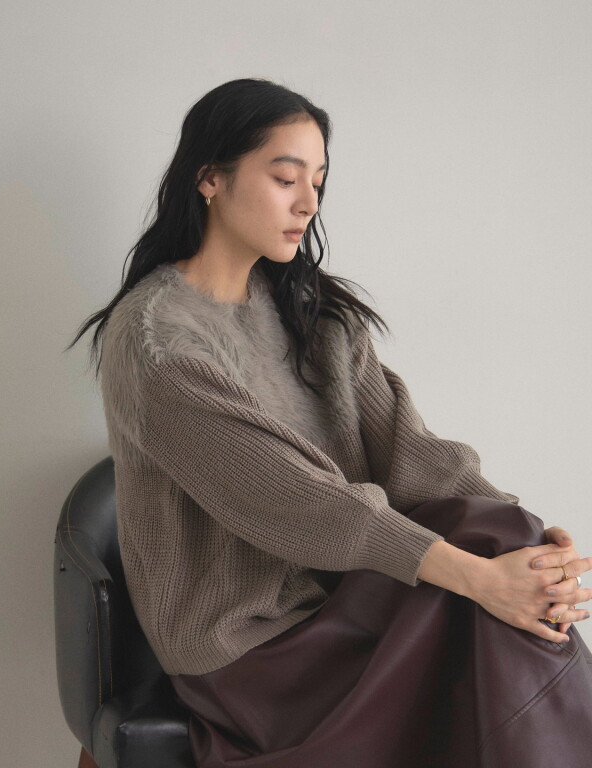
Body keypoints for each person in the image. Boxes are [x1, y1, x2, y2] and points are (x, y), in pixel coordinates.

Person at [68, 78, 592, 766]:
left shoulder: (316, 315)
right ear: (209, 178)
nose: (309, 204)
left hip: (339, 608)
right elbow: (296, 502)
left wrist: (537, 557)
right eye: (286, 178)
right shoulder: (158, 340)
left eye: (317, 181)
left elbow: (416, 455)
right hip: (251, 650)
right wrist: (483, 578)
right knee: (484, 580)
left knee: (500, 532)